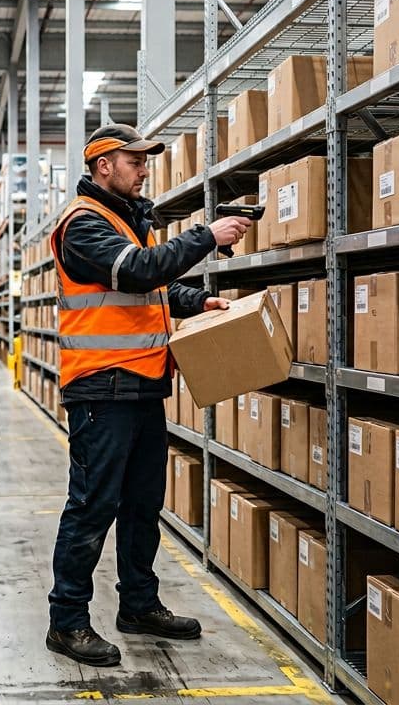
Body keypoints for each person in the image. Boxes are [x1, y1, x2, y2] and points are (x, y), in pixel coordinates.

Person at [45, 124, 254, 666]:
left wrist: (196, 302)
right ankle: (66, 621)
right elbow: (136, 274)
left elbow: (152, 291)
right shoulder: (82, 225)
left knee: (142, 505)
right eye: (133, 160)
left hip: (141, 386)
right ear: (102, 166)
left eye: (144, 160)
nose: (143, 169)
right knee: (92, 507)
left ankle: (138, 603)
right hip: (100, 387)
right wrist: (207, 236)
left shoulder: (126, 223)